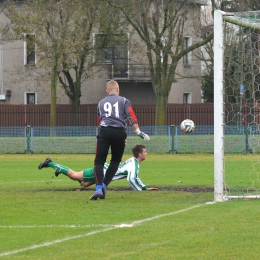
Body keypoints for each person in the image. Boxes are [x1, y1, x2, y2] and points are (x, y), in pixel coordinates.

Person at [92, 80, 150, 200]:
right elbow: (131, 116)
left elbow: (99, 120)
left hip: (105, 131)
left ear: (107, 91)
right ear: (118, 90)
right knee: (115, 161)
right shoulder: (124, 101)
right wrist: (139, 132)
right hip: (119, 132)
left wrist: (101, 134)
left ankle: (98, 189)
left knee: (99, 162)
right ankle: (104, 186)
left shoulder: (101, 103)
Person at [38, 144, 158, 191]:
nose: (146, 153)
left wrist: (145, 187)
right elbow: (131, 179)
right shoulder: (135, 164)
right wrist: (143, 190)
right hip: (103, 172)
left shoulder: (133, 161)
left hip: (105, 172)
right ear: (140, 154)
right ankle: (50, 163)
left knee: (84, 184)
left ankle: (61, 169)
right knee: (74, 175)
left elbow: (135, 177)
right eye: (145, 152)